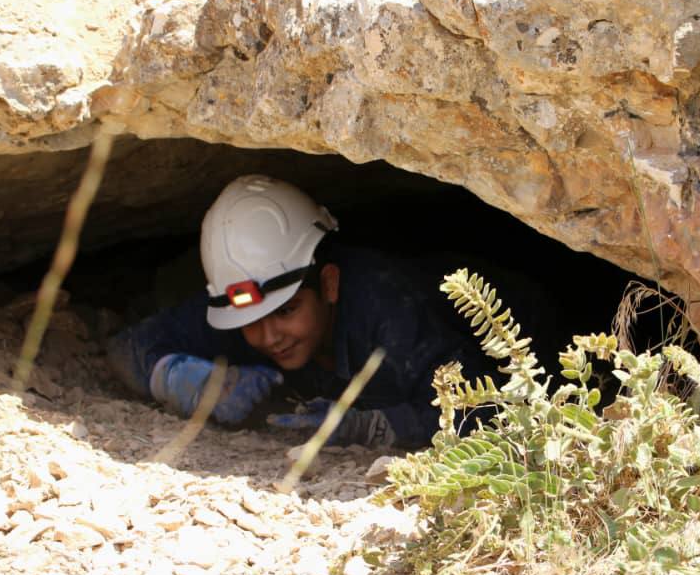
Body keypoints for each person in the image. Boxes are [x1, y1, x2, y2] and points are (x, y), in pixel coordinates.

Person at [105, 174, 497, 450]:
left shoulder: (388, 310)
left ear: (329, 284)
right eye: (250, 322)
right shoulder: (246, 310)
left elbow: (485, 408)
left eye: (286, 311)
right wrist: (181, 381)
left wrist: (369, 426)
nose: (269, 336)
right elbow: (129, 347)